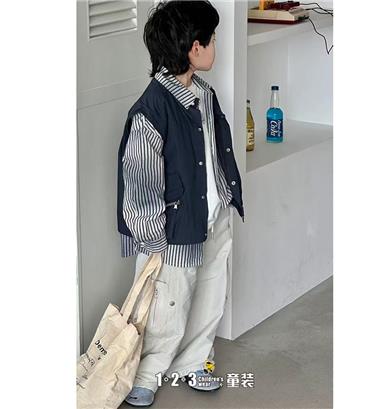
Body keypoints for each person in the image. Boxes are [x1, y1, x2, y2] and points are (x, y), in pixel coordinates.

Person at [116, 1, 245, 406]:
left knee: (210, 291)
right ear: (194, 48)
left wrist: (226, 198)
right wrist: (154, 239)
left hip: (212, 215)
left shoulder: (203, 94)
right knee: (167, 302)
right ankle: (147, 373)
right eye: (212, 39)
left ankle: (194, 362)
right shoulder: (151, 111)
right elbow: (141, 182)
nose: (215, 45)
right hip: (174, 230)